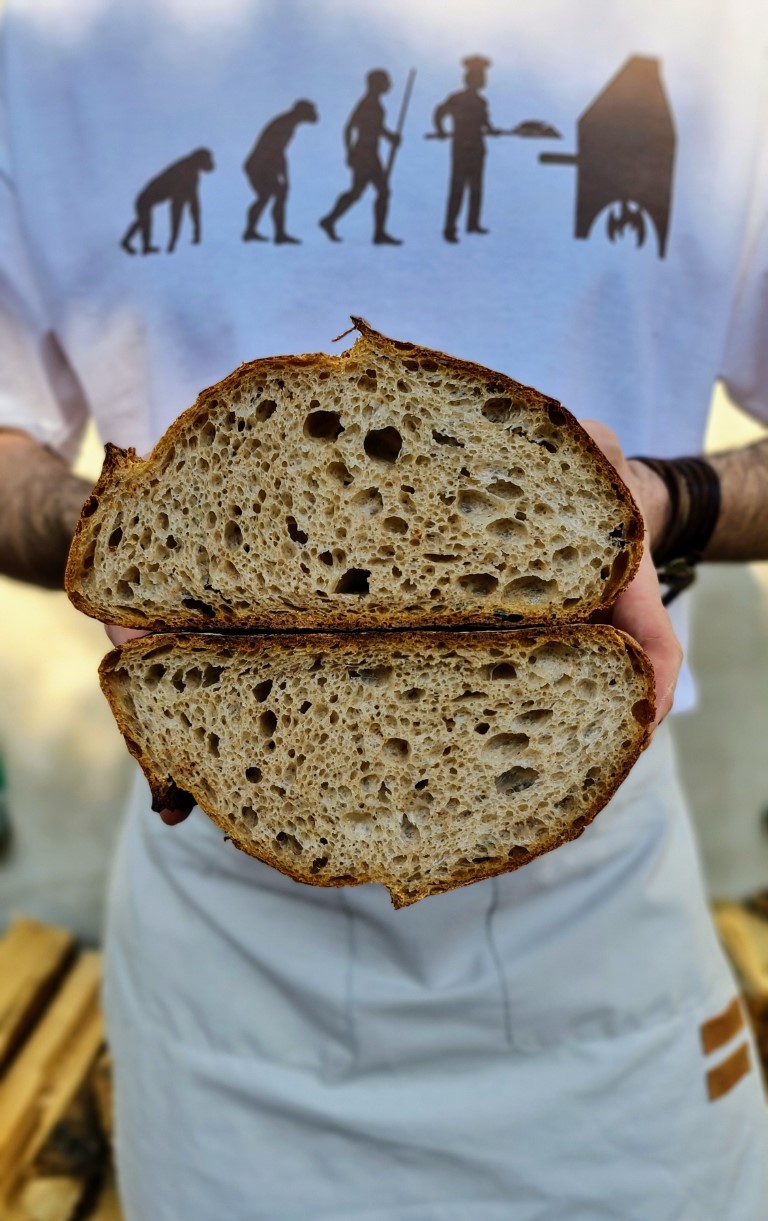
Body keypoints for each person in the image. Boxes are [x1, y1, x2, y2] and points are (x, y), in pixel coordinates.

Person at [1, 2, 768, 1217]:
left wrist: (666, 500)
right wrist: (128, 537)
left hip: (589, 896)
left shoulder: (718, 32)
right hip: (230, 926)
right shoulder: (49, 38)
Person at [319, 69, 402, 245]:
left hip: (369, 153)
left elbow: (376, 128)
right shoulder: (368, 104)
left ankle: (331, 221)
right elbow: (349, 128)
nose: (389, 85)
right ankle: (375, 232)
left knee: (362, 192)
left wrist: (390, 137)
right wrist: (349, 152)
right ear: (376, 84)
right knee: (376, 192)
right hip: (365, 154)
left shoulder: (374, 104)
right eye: (386, 81)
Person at [431, 55, 501, 243]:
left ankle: (473, 223)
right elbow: (439, 112)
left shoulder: (481, 102)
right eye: (479, 77)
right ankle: (450, 227)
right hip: (462, 147)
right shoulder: (457, 98)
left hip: (477, 147)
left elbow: (485, 122)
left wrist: (492, 130)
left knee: (476, 187)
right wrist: (440, 130)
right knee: (458, 188)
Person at [242, 99, 318, 245]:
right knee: (269, 196)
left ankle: (271, 233)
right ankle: (271, 234)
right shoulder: (285, 124)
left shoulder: (289, 123)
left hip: (264, 164)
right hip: (259, 165)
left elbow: (279, 152)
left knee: (271, 196)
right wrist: (283, 176)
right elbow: (276, 152)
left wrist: (283, 176)